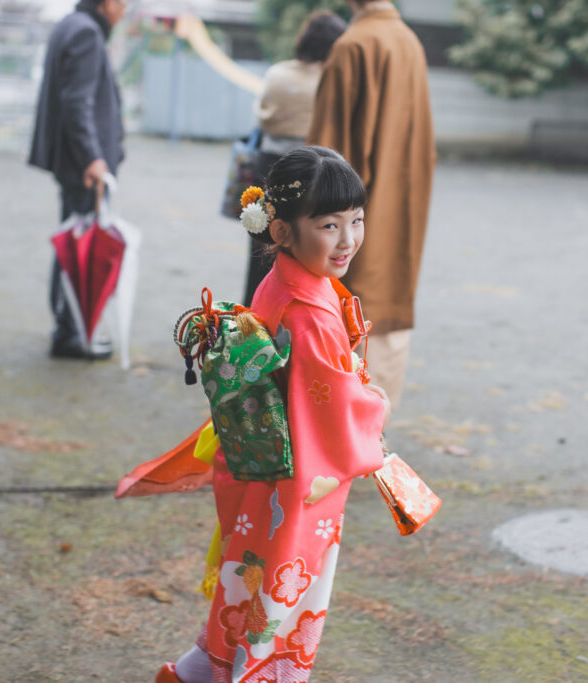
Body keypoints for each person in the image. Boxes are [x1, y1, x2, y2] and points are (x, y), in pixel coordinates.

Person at [157, 147, 391, 683]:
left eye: (356, 221)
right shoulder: (309, 311)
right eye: (329, 225)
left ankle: (198, 670)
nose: (349, 239)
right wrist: (376, 403)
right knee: (285, 587)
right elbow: (334, 407)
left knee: (250, 573)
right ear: (282, 232)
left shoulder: (283, 280)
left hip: (263, 463)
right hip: (298, 481)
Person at [306, 0, 436, 411]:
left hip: (351, 222)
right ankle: (372, 438)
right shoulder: (408, 41)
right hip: (402, 212)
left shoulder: (354, 45)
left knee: (344, 315)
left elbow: (324, 163)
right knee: (386, 317)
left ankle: (340, 445)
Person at [29, 0, 126, 359]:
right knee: (80, 247)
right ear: (106, 4)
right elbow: (77, 101)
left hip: (74, 163)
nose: (124, 10)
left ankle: (70, 326)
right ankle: (69, 331)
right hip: (84, 168)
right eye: (123, 3)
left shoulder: (71, 25)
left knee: (76, 241)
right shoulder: (85, 32)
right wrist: (93, 158)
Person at [241, 11, 347, 306]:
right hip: (309, 169)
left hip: (268, 162)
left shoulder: (277, 73)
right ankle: (297, 311)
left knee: (263, 241)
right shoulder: (330, 81)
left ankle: (254, 310)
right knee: (303, 246)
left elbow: (261, 116)